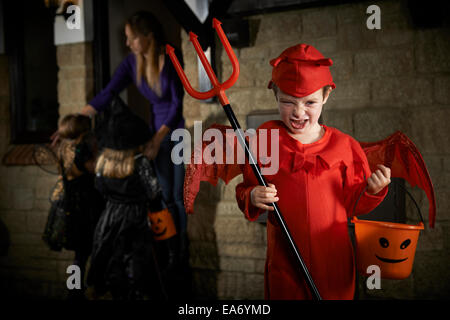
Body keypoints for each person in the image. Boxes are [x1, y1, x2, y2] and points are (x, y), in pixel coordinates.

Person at [235, 44, 391, 300]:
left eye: (310, 102)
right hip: (286, 258)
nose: (298, 112)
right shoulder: (264, 140)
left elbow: (352, 203)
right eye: (287, 102)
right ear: (275, 95)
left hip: (333, 259)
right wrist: (252, 196)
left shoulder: (344, 146)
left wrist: (373, 190)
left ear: (326, 96)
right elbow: (245, 190)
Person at [86, 97, 166, 300]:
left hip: (110, 219)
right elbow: (154, 193)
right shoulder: (140, 164)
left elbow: (100, 189)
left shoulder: (103, 165)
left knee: (112, 261)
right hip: (137, 219)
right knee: (138, 267)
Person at [43, 113, 105, 299]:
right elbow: (96, 170)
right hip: (87, 208)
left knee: (79, 255)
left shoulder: (63, 150)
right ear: (83, 133)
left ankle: (74, 290)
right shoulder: (80, 152)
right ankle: (95, 288)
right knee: (95, 250)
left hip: (73, 209)